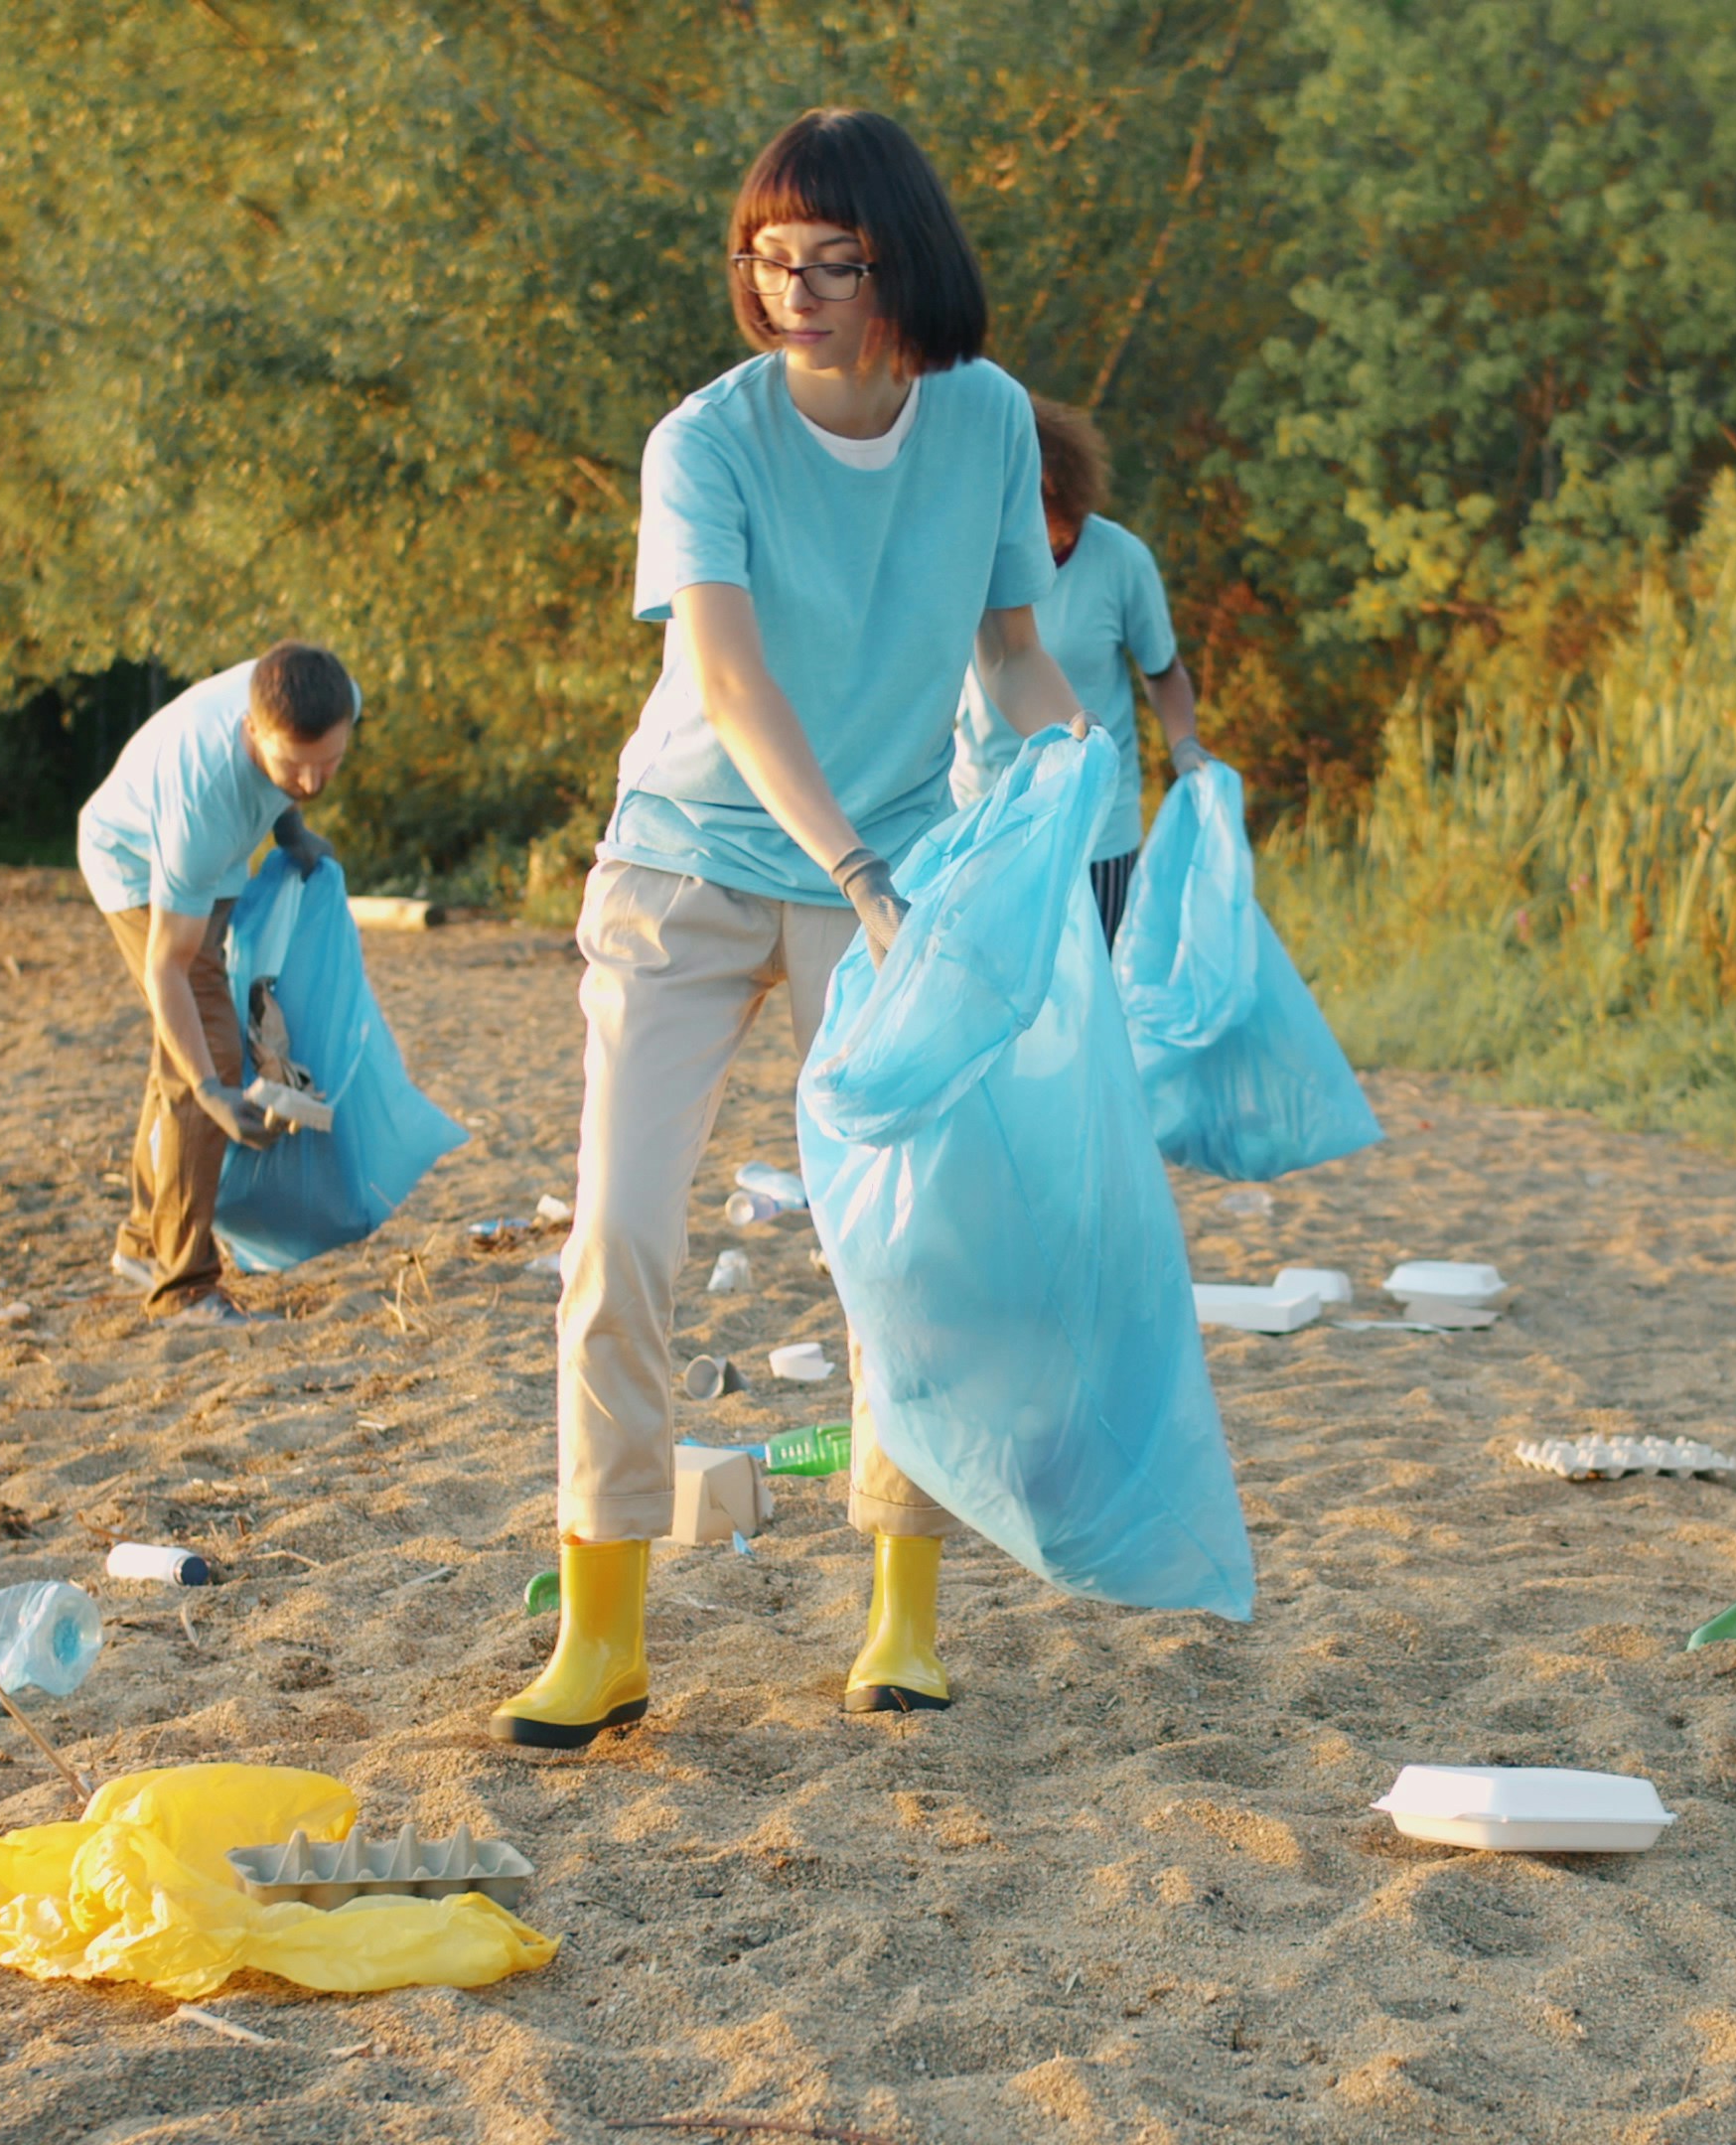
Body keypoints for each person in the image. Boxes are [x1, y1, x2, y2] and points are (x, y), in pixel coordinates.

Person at [501, 109, 1097, 1749]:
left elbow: (1013, 654)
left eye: (835, 261)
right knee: (622, 1235)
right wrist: (854, 874)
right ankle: (604, 1631)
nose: (797, 291)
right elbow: (735, 682)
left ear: (908, 264)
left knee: (902, 1239)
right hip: (695, 862)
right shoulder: (707, 441)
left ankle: (901, 1608)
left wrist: (1076, 777)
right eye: (770, 259)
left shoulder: (982, 425)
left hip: (890, 866)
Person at [73, 642, 361, 1325]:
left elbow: (293, 774)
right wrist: (212, 1090)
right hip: (136, 864)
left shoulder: (333, 693)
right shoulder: (202, 804)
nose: (316, 782)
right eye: (297, 767)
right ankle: (183, 1287)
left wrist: (290, 824)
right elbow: (166, 967)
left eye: (331, 763)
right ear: (250, 732)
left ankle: (147, 1243)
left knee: (191, 1053)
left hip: (211, 864)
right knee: (206, 1061)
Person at [947, 394, 1206, 942]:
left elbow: (1163, 672)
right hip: (987, 815)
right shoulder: (969, 556)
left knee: (1092, 993)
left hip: (1096, 825)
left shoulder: (1120, 559)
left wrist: (1184, 746)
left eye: (1044, 507)